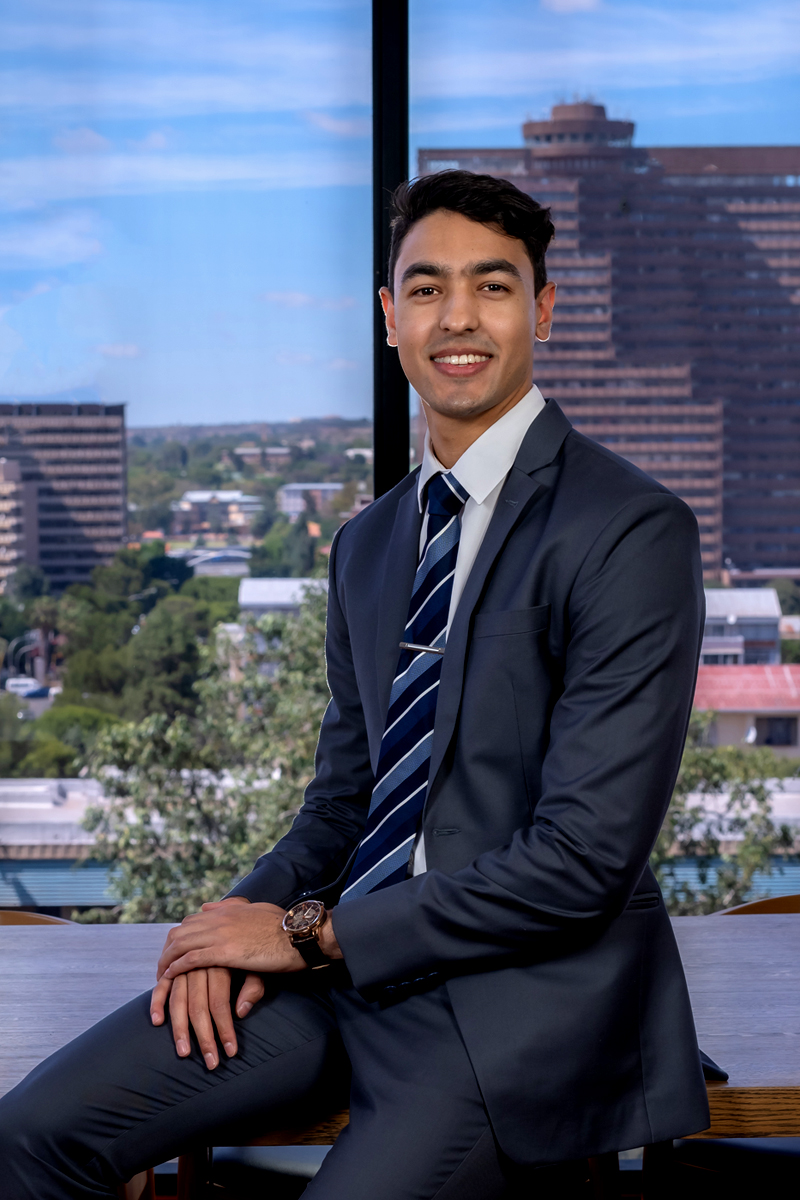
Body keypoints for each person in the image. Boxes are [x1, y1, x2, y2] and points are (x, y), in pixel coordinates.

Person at [0, 170, 710, 1199]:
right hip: (341, 978)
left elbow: (582, 861)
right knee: (29, 1136)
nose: (456, 316)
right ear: (389, 317)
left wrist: (306, 934)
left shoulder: (629, 529)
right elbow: (342, 803)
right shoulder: (369, 543)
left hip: (509, 1008)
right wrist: (233, 926)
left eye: (492, 286)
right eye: (425, 288)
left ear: (543, 310)